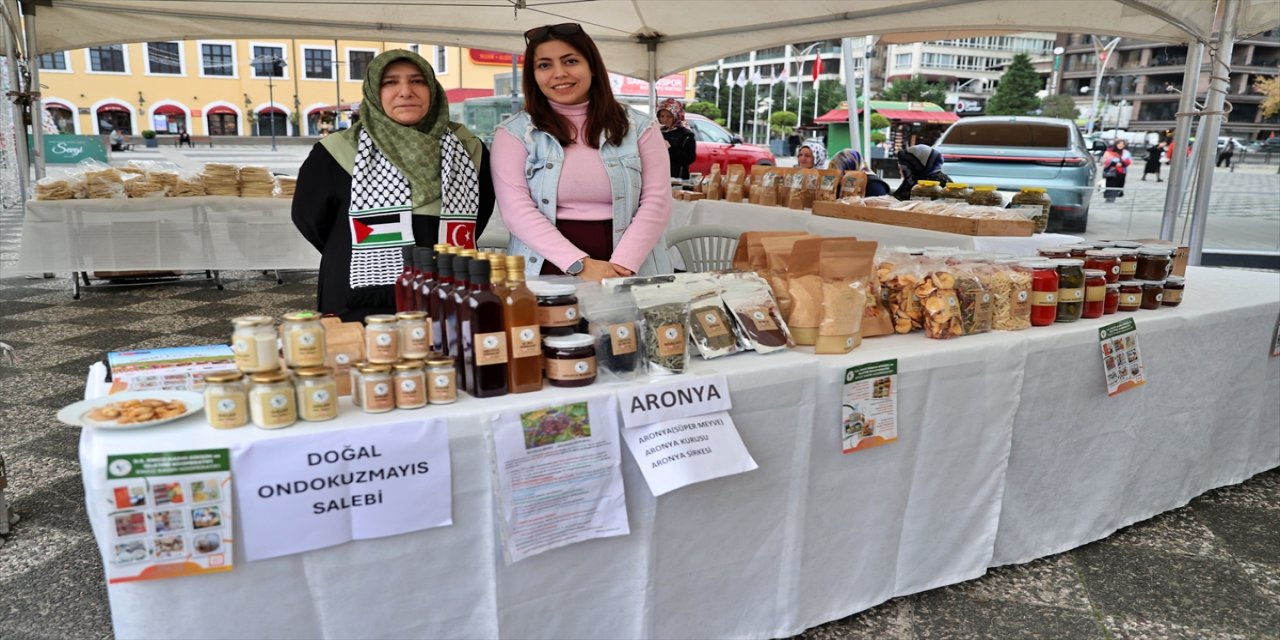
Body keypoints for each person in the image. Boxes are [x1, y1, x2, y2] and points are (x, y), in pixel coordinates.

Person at [291, 49, 495, 321]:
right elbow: (310, 220)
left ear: (433, 88)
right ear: (374, 91)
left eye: (418, 81)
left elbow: (480, 214)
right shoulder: (335, 152)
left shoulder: (469, 150)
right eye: (390, 82)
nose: (405, 91)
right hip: (361, 295)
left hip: (452, 291)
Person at [491, 23, 672, 282]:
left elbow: (657, 201)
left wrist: (622, 265)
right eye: (544, 65)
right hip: (547, 267)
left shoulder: (640, 127)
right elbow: (517, 211)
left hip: (633, 266)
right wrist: (580, 264)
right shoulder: (514, 134)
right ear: (533, 75)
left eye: (571, 61)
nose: (559, 73)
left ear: (592, 67)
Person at [656, 98, 696, 180]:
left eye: (669, 116)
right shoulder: (656, 131)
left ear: (677, 116)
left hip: (677, 179)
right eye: (662, 116)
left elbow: (689, 159)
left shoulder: (686, 135)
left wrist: (670, 148)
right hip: (658, 176)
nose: (664, 120)